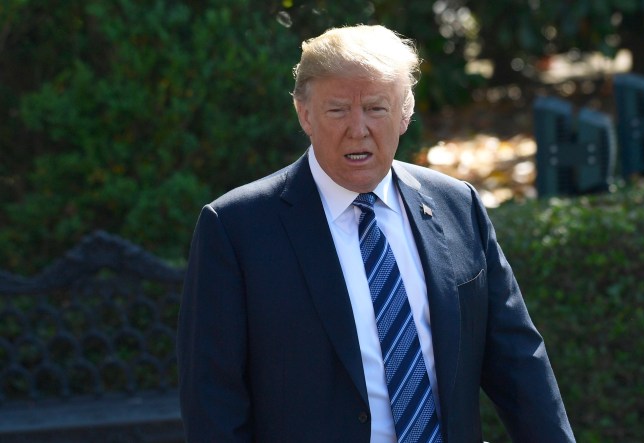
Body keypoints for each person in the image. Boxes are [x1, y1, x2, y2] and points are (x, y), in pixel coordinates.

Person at [177, 24, 575, 442]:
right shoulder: (237, 228)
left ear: (405, 112)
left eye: (375, 108)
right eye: (337, 110)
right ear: (304, 114)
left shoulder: (457, 204)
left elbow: (517, 362)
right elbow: (212, 401)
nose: (358, 127)